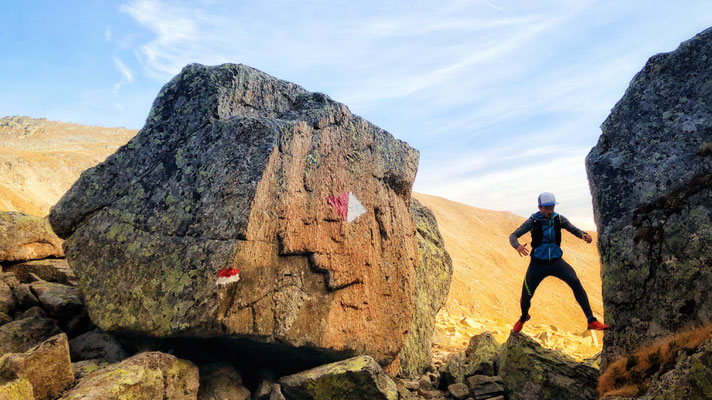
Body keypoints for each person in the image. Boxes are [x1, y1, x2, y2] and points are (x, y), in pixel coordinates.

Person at [509, 192, 609, 333]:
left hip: (556, 262)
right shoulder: (533, 221)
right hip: (537, 264)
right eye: (547, 208)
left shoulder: (558, 219)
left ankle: (591, 320)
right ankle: (524, 317)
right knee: (526, 295)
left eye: (552, 208)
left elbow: (572, 229)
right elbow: (513, 235)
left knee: (575, 283)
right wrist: (517, 246)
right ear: (540, 207)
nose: (550, 211)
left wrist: (583, 235)